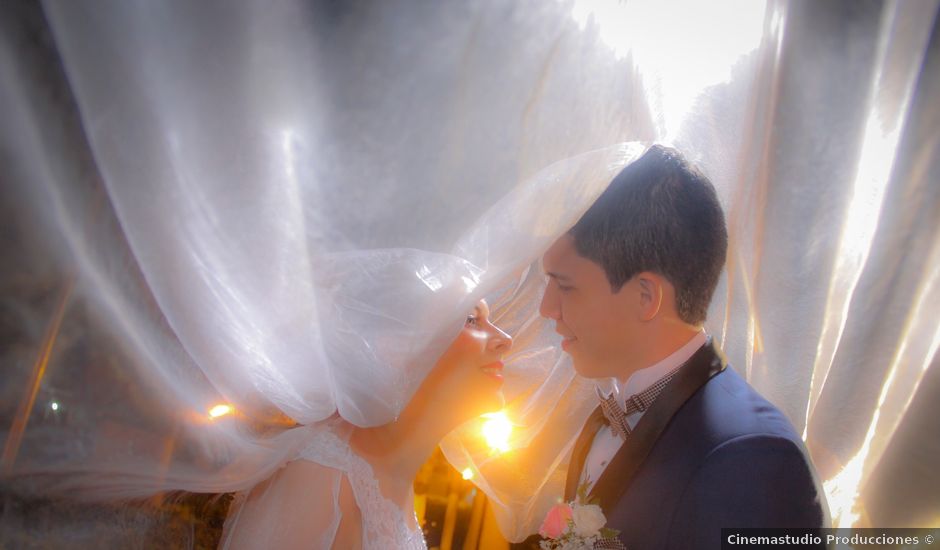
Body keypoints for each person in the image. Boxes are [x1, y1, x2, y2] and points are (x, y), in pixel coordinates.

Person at [536, 145, 829, 548]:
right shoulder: (603, 419)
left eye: (565, 286)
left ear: (645, 297)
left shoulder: (752, 456)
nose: (546, 308)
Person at [220, 299, 512, 549]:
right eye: (471, 319)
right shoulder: (321, 477)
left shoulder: (387, 478)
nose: (505, 339)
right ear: (399, 345)